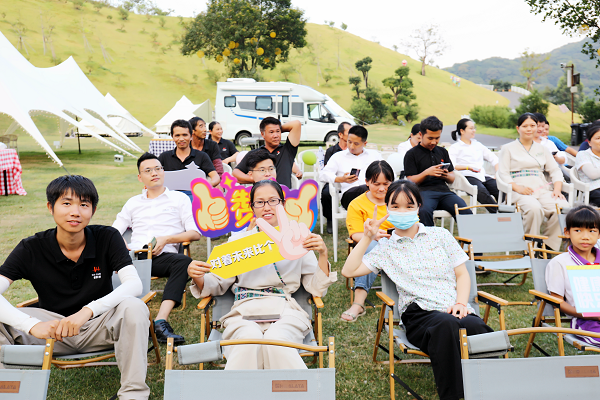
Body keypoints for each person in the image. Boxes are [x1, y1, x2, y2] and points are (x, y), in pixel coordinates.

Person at [0, 175, 150, 400]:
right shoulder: (31, 248)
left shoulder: (107, 237)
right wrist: (32, 325)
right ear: (50, 207)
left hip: (99, 326)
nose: (75, 212)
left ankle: (133, 395)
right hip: (51, 331)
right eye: (66, 203)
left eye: (84, 204)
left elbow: (134, 284)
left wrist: (87, 311)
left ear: (93, 210)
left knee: (134, 307)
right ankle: (8, 393)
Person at [341, 180, 493, 400]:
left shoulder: (440, 235)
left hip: (453, 307)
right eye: (395, 206)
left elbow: (462, 274)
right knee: (446, 325)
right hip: (419, 315)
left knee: (476, 326)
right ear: (387, 208)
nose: (402, 211)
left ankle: (490, 389)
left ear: (419, 207)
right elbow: (348, 271)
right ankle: (453, 395)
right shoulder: (385, 247)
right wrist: (367, 237)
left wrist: (461, 303)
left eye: (409, 206)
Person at [187, 180, 336, 369]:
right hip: (244, 310)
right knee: (248, 341)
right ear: (252, 207)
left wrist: (323, 253)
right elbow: (215, 283)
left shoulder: (298, 238)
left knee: (277, 341)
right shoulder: (238, 242)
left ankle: (296, 387)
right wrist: (197, 275)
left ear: (283, 204)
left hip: (285, 308)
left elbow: (316, 287)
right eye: (260, 202)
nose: (267, 207)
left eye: (273, 200)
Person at [112, 153, 201, 344]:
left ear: (163, 172)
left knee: (184, 262)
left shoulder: (179, 198)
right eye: (148, 170)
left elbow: (195, 233)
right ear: (140, 177)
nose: (154, 173)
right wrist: (120, 244)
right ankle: (110, 321)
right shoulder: (133, 202)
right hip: (133, 257)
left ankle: (160, 322)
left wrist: (167, 239)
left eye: (158, 169)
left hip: (162, 257)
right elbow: (114, 231)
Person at [498, 113, 569, 250]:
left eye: (532, 125)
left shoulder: (543, 149)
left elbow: (555, 170)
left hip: (541, 188)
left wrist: (557, 189)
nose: (529, 129)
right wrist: (518, 188)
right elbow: (503, 173)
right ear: (518, 128)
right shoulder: (507, 148)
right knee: (534, 209)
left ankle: (548, 247)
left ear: (537, 127)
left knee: (562, 208)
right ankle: (531, 247)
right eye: (525, 126)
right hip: (519, 189)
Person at [341, 160, 394, 322]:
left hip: (398, 244)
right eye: (376, 184)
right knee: (371, 247)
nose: (382, 188)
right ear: (367, 182)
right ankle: (358, 303)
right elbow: (355, 234)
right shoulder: (357, 204)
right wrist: (372, 235)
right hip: (372, 245)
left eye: (386, 184)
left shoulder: (399, 199)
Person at [546, 205, 600, 345]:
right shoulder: (559, 263)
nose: (585, 237)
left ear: (599, 234)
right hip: (586, 322)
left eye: (592, 231)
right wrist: (590, 315)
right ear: (567, 232)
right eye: (578, 230)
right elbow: (557, 301)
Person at [404, 116, 472, 226]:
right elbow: (410, 181)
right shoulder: (411, 154)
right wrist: (427, 173)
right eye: (430, 138)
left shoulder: (442, 151)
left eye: (437, 138)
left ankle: (469, 237)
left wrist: (446, 175)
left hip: (444, 192)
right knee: (424, 211)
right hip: (423, 192)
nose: (434, 142)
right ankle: (429, 237)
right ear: (421, 135)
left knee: (464, 209)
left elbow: (452, 178)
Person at [319, 125, 382, 210]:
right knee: (367, 189)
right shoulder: (338, 156)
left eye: (356, 144)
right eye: (349, 142)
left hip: (373, 193)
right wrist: (341, 179)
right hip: (350, 195)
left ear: (365, 143)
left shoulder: (374, 155)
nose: (351, 146)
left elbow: (390, 173)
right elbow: (323, 175)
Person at [158, 119, 220, 202]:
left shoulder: (202, 156)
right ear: (172, 136)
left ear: (191, 136)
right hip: (170, 199)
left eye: (185, 135)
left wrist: (208, 184)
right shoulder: (164, 157)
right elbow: (155, 175)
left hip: (195, 198)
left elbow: (215, 176)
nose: (181, 139)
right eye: (177, 135)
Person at [233, 118, 302, 188]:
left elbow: (296, 124)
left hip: (282, 193)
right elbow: (235, 173)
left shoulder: (287, 150)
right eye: (271, 132)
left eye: (278, 131)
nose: (276, 135)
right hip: (261, 193)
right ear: (262, 134)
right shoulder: (255, 154)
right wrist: (255, 179)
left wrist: (277, 128)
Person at [449, 118, 499, 212]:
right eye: (471, 128)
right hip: (467, 176)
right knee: (481, 191)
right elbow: (452, 165)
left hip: (482, 176)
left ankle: (507, 211)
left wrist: (497, 172)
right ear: (462, 131)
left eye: (474, 128)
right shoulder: (455, 147)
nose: (474, 130)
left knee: (500, 188)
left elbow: (494, 159)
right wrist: (468, 167)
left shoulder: (478, 145)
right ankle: (498, 213)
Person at [321, 122, 351, 234]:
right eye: (349, 131)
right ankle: (330, 219)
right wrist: (339, 178)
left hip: (351, 181)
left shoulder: (353, 150)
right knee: (326, 193)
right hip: (334, 181)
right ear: (340, 135)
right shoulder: (331, 151)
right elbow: (327, 171)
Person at [574, 124, 600, 206]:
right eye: (598, 138)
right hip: (594, 190)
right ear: (589, 142)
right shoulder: (583, 154)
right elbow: (592, 174)